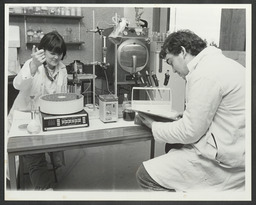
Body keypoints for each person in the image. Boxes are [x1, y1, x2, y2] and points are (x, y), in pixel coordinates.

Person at [136, 29, 245, 192]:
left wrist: (153, 126)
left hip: (226, 165)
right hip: (239, 150)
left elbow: (190, 132)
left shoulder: (204, 74)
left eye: (171, 62)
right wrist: (187, 117)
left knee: (144, 175)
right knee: (172, 146)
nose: (172, 70)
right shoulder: (226, 64)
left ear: (182, 51)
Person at [7, 31, 67, 190]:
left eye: (59, 53)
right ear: (43, 51)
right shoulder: (32, 64)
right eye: (52, 53)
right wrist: (33, 65)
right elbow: (17, 85)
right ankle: (45, 192)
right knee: (35, 153)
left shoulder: (62, 69)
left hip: (46, 117)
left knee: (57, 144)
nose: (56, 57)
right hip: (24, 118)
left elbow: (62, 96)